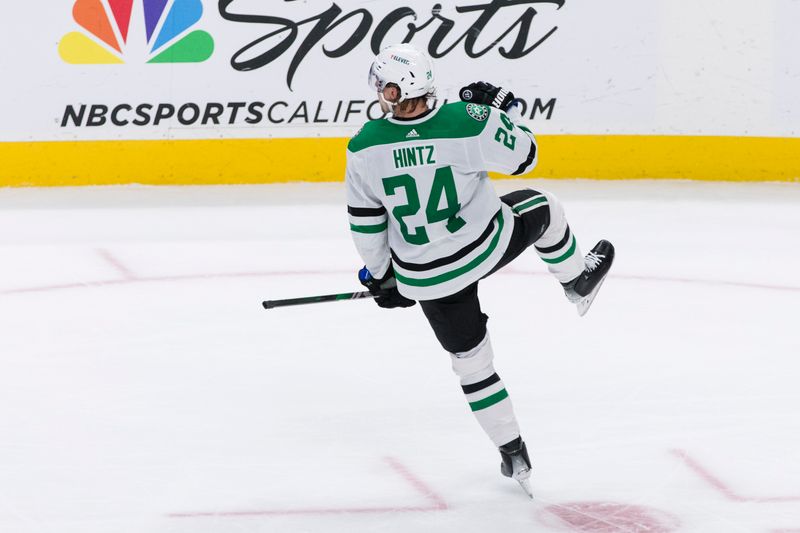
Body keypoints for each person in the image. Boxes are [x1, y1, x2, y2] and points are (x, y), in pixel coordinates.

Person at [345, 43, 614, 497]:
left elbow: (366, 221)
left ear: (394, 90)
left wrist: (382, 276)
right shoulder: (467, 120)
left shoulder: (364, 145)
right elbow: (526, 156)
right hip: (484, 244)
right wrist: (497, 112)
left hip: (426, 275)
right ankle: (576, 279)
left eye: (383, 85)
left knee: (472, 365)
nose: (379, 92)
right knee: (544, 207)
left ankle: (513, 451)